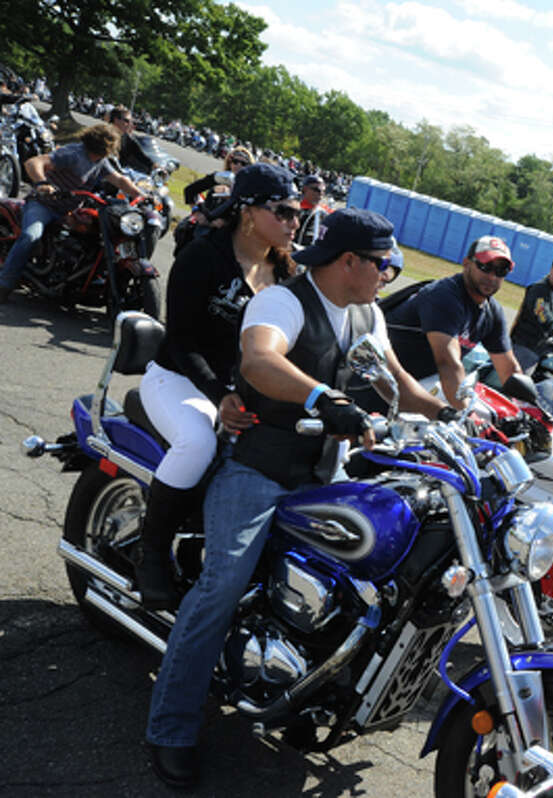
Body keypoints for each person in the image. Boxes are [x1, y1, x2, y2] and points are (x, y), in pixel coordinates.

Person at [143, 208, 448, 788]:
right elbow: (259, 359)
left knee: (371, 576)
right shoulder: (283, 302)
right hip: (259, 465)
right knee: (222, 585)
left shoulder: (368, 312)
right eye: (382, 263)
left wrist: (461, 414)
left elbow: (401, 388)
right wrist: (320, 398)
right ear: (349, 261)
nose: (388, 273)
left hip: (325, 473)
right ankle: (171, 726)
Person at [134, 163, 300, 609]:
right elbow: (182, 341)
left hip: (239, 393)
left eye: (296, 211)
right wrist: (218, 395)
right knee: (197, 442)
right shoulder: (203, 256)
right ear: (248, 212)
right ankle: (150, 553)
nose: (294, 221)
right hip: (178, 380)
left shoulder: (285, 275)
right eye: (283, 211)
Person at [0, 123, 142, 303]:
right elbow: (34, 162)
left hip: (69, 210)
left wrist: (141, 195)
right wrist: (41, 183)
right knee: (30, 236)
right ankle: (4, 283)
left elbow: (120, 179)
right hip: (43, 205)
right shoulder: (73, 154)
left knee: (92, 238)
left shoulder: (100, 161)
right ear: (102, 145)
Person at [386, 235, 522, 407]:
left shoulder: (492, 312)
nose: (492, 276)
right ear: (466, 263)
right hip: (384, 385)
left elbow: (509, 370)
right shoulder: (445, 296)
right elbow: (448, 364)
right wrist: (467, 415)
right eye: (485, 266)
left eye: (501, 271)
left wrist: (530, 407)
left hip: (422, 385)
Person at [182, 146, 255, 206]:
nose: (239, 165)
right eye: (235, 161)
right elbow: (189, 190)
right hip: (208, 220)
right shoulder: (218, 177)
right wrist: (196, 212)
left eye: (243, 163)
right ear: (230, 162)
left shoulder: (250, 188)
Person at [295, 174, 332, 247]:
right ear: (304, 189)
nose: (321, 194)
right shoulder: (293, 208)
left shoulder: (324, 211)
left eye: (323, 191)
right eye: (317, 190)